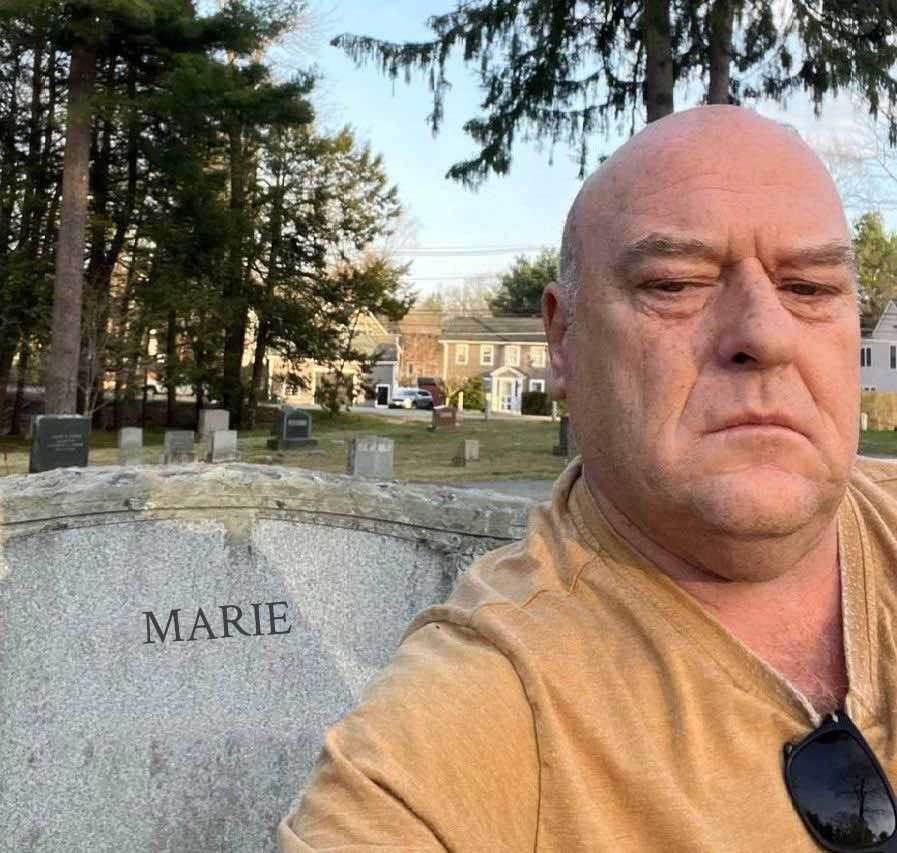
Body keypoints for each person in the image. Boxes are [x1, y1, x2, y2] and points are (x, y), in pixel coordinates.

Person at [279, 105, 897, 852]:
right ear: (561, 338)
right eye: (675, 283)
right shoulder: (447, 749)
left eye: (808, 287)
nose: (764, 334)